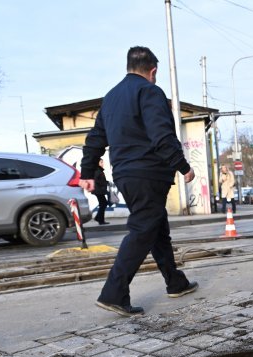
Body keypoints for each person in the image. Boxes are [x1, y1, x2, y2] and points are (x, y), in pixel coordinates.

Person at [79, 46, 198, 317]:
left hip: (124, 174)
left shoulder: (110, 97)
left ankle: (175, 282)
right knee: (143, 228)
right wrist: (183, 166)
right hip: (148, 173)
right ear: (152, 71)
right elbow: (161, 135)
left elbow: (95, 139)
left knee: (156, 227)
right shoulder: (149, 91)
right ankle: (114, 292)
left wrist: (87, 172)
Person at [93, 159, 110, 225]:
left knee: (103, 204)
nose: (103, 164)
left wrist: (106, 182)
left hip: (99, 190)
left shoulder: (99, 170)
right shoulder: (97, 170)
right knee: (103, 204)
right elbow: (97, 180)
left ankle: (98, 218)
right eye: (101, 162)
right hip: (98, 190)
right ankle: (100, 220)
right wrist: (104, 183)